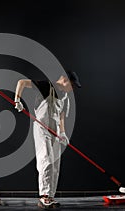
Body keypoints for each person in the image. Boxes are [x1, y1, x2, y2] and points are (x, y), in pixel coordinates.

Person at [14, 71, 81, 209]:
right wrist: (17, 100)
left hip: (55, 132)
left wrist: (63, 133)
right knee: (46, 160)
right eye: (73, 85)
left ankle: (50, 197)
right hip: (42, 129)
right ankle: (44, 196)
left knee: (55, 164)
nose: (73, 89)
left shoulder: (66, 97)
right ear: (64, 80)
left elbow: (62, 116)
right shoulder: (46, 86)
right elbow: (21, 82)